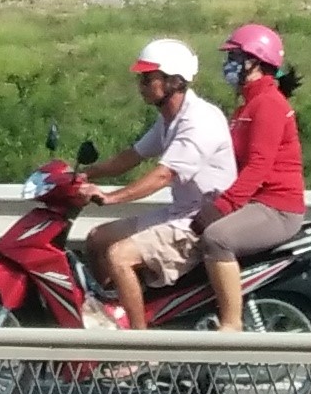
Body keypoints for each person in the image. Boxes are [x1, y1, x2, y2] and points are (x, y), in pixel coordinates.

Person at [77, 36, 234, 329]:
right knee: (98, 238)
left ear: (174, 81)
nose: (141, 85)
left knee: (119, 256)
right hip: (180, 213)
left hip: (198, 222)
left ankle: (141, 344)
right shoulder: (169, 119)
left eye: (148, 78)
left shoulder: (199, 121)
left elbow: (163, 175)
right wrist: (85, 174)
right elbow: (133, 155)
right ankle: (113, 314)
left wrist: (111, 198)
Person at [199, 22, 307, 332]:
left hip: (277, 207)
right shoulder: (249, 106)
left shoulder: (269, 104)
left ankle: (231, 324)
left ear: (255, 62)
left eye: (234, 58)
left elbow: (259, 166)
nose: (228, 65)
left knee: (216, 238)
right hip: (257, 203)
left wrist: (223, 207)